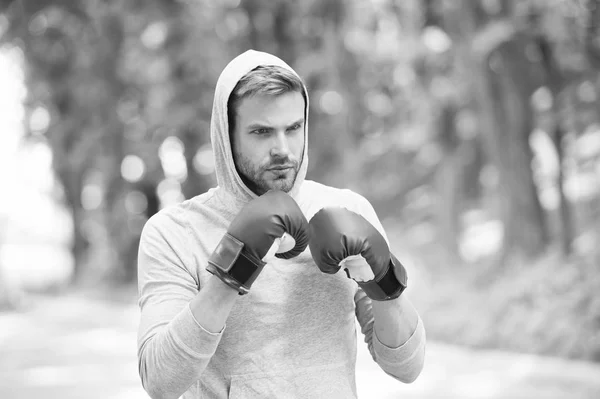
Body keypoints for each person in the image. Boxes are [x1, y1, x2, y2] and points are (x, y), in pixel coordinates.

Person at [137, 49, 426, 399]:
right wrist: (232, 267)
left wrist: (383, 282)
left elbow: (407, 367)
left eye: (293, 128)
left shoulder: (347, 209)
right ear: (227, 137)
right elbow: (160, 382)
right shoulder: (174, 232)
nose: (282, 149)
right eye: (261, 132)